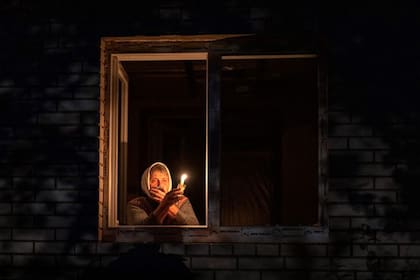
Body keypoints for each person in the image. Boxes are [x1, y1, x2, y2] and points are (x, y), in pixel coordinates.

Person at [127, 161, 199, 225]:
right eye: (154, 180)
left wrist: (169, 205)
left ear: (169, 183)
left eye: (164, 180)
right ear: (146, 184)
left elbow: (194, 226)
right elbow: (143, 232)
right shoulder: (137, 204)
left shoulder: (181, 201)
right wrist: (164, 204)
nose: (160, 185)